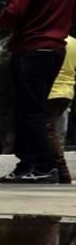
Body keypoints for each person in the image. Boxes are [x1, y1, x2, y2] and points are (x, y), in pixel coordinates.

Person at [0, 0, 76, 184]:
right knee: (36, 109)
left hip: (31, 48)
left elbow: (16, 10)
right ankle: (30, 164)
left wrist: (0, 21)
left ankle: (40, 165)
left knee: (28, 112)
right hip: (55, 48)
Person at [46, 36, 76, 184]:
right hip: (68, 90)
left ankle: (61, 171)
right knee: (55, 132)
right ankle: (55, 170)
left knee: (48, 130)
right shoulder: (74, 42)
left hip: (52, 90)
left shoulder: (51, 41)